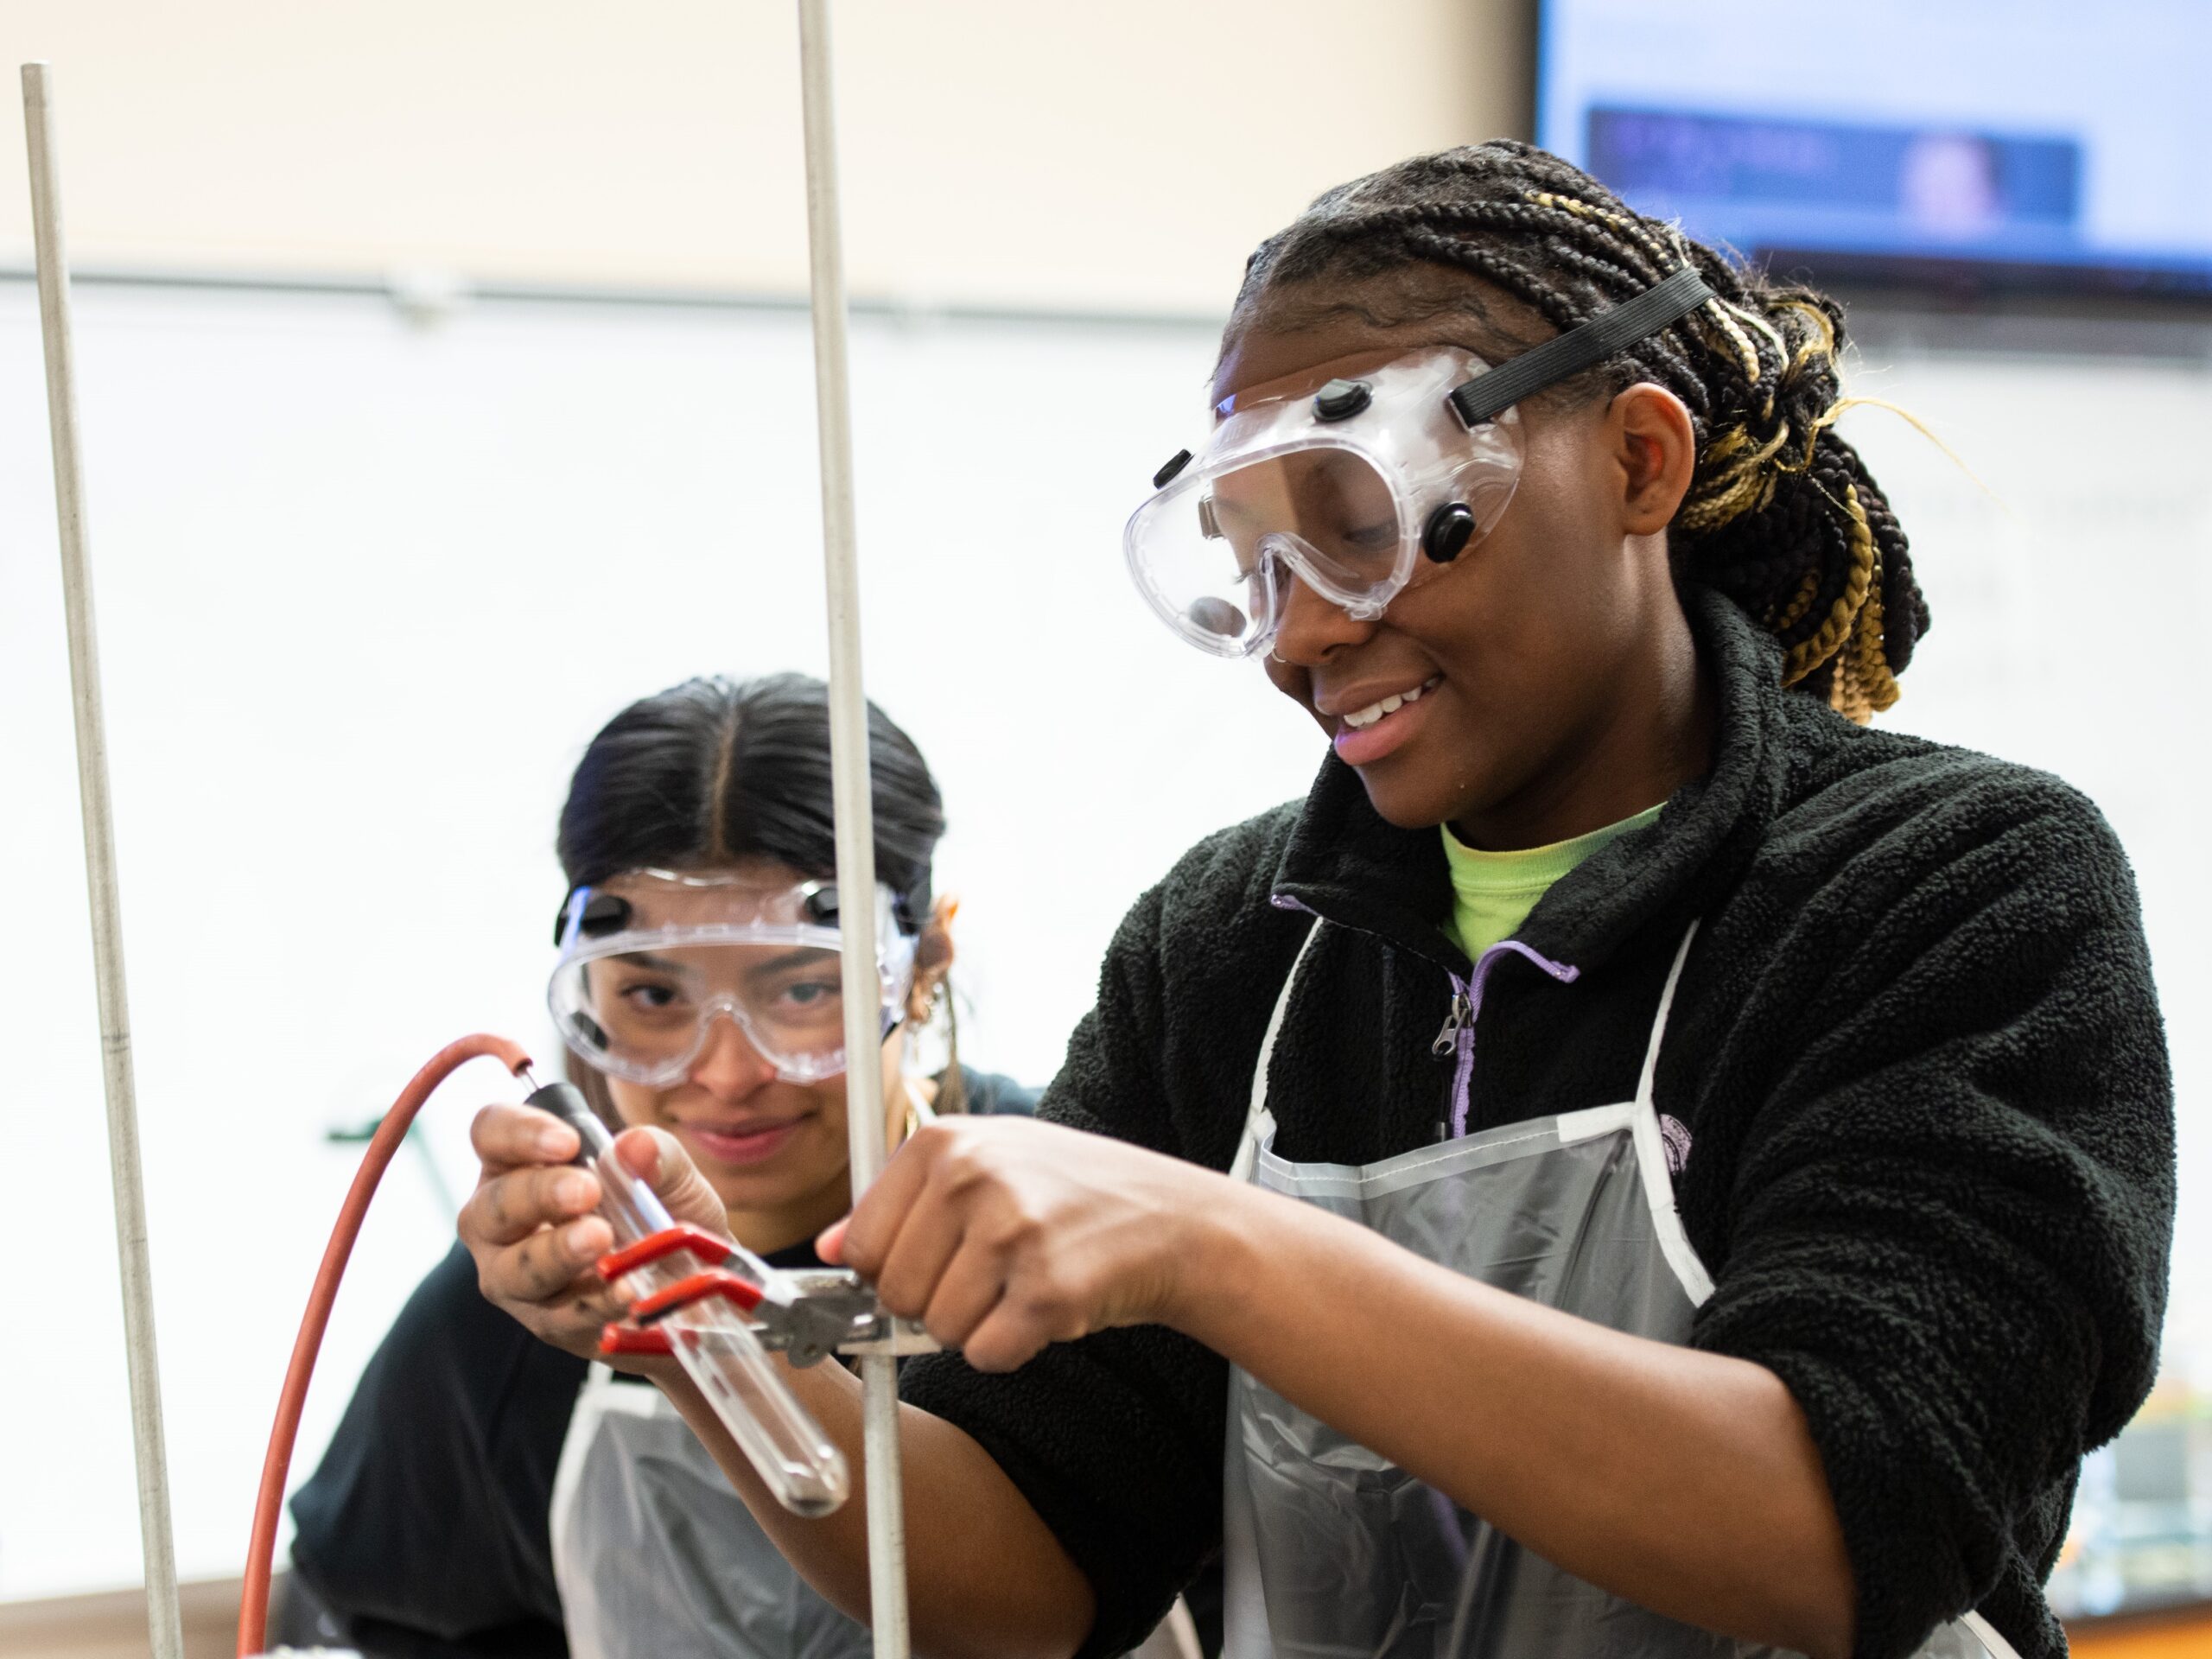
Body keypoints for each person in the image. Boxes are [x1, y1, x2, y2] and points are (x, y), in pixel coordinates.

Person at [461, 143, 2176, 1659]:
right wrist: (691, 1321)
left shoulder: (1947, 891)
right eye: (1250, 564)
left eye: (1354, 528)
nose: (1291, 634)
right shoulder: (1232, 955)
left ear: (1639, 463)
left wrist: (1208, 1243)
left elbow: (1836, 1530)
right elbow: (1018, 1588)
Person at [280, 673, 1039, 1659]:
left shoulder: (1068, 1205)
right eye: (651, 997)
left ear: (922, 967)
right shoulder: (523, 1316)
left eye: (804, 987)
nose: (726, 1074)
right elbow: (377, 1615)